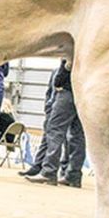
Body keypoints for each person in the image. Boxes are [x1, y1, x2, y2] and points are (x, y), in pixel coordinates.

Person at [26, 59, 86, 187]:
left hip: (68, 91)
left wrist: (60, 77)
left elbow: (67, 65)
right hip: (85, 93)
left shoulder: (74, 45)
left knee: (54, 130)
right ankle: (73, 176)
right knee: (78, 135)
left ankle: (49, 172)